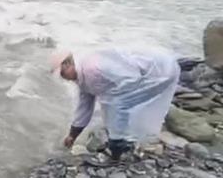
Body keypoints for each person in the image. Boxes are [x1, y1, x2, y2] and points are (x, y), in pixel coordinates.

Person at [52, 46, 180, 160]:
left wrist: (115, 130)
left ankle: (118, 149)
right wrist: (72, 135)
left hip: (160, 70)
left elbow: (130, 79)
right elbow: (84, 107)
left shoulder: (92, 68)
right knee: (114, 106)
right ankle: (124, 143)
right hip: (153, 71)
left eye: (63, 73)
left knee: (116, 105)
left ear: (68, 63)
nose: (64, 78)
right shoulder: (83, 76)